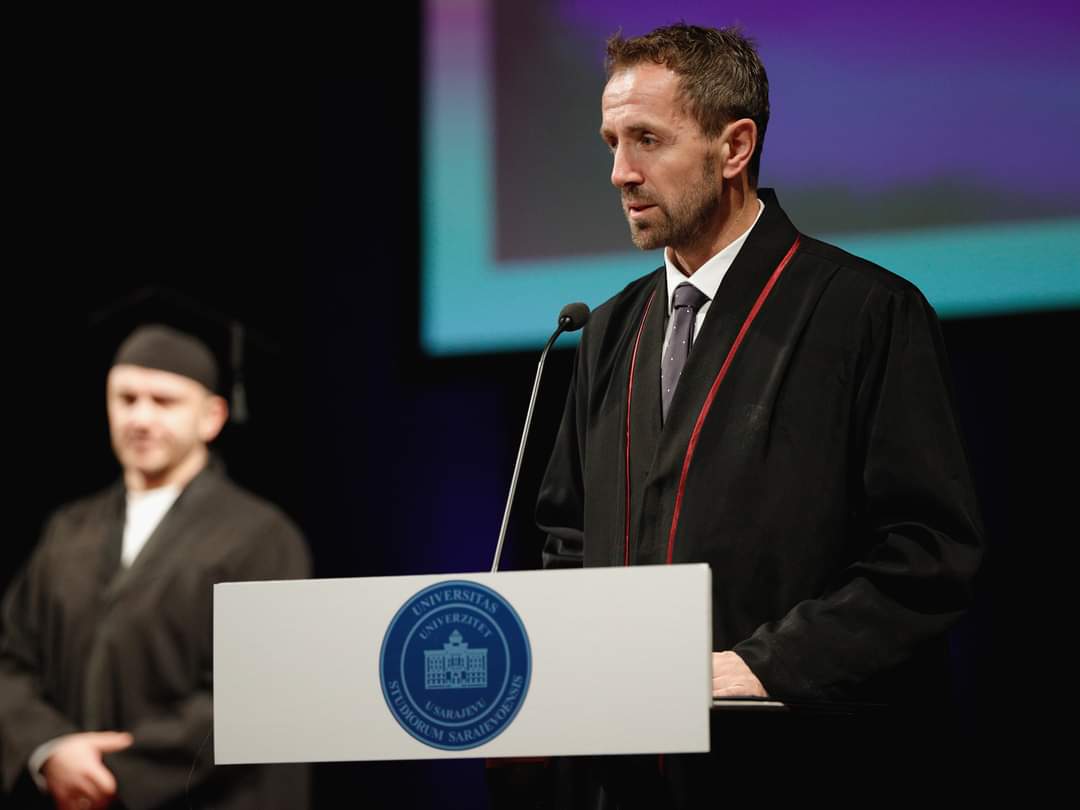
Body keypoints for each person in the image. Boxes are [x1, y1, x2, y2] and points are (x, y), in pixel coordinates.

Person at [535, 23, 984, 804]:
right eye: (612, 143)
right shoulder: (607, 332)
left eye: (647, 140)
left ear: (734, 147)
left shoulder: (865, 314)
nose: (619, 172)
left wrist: (763, 666)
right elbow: (568, 540)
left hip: (806, 763)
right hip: (632, 776)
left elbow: (927, 554)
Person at [0, 324, 311, 810]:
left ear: (211, 417)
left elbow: (260, 692)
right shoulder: (67, 531)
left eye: (164, 402)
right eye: (126, 399)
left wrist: (114, 773)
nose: (140, 418)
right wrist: (50, 750)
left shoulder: (260, 537)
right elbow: (11, 661)